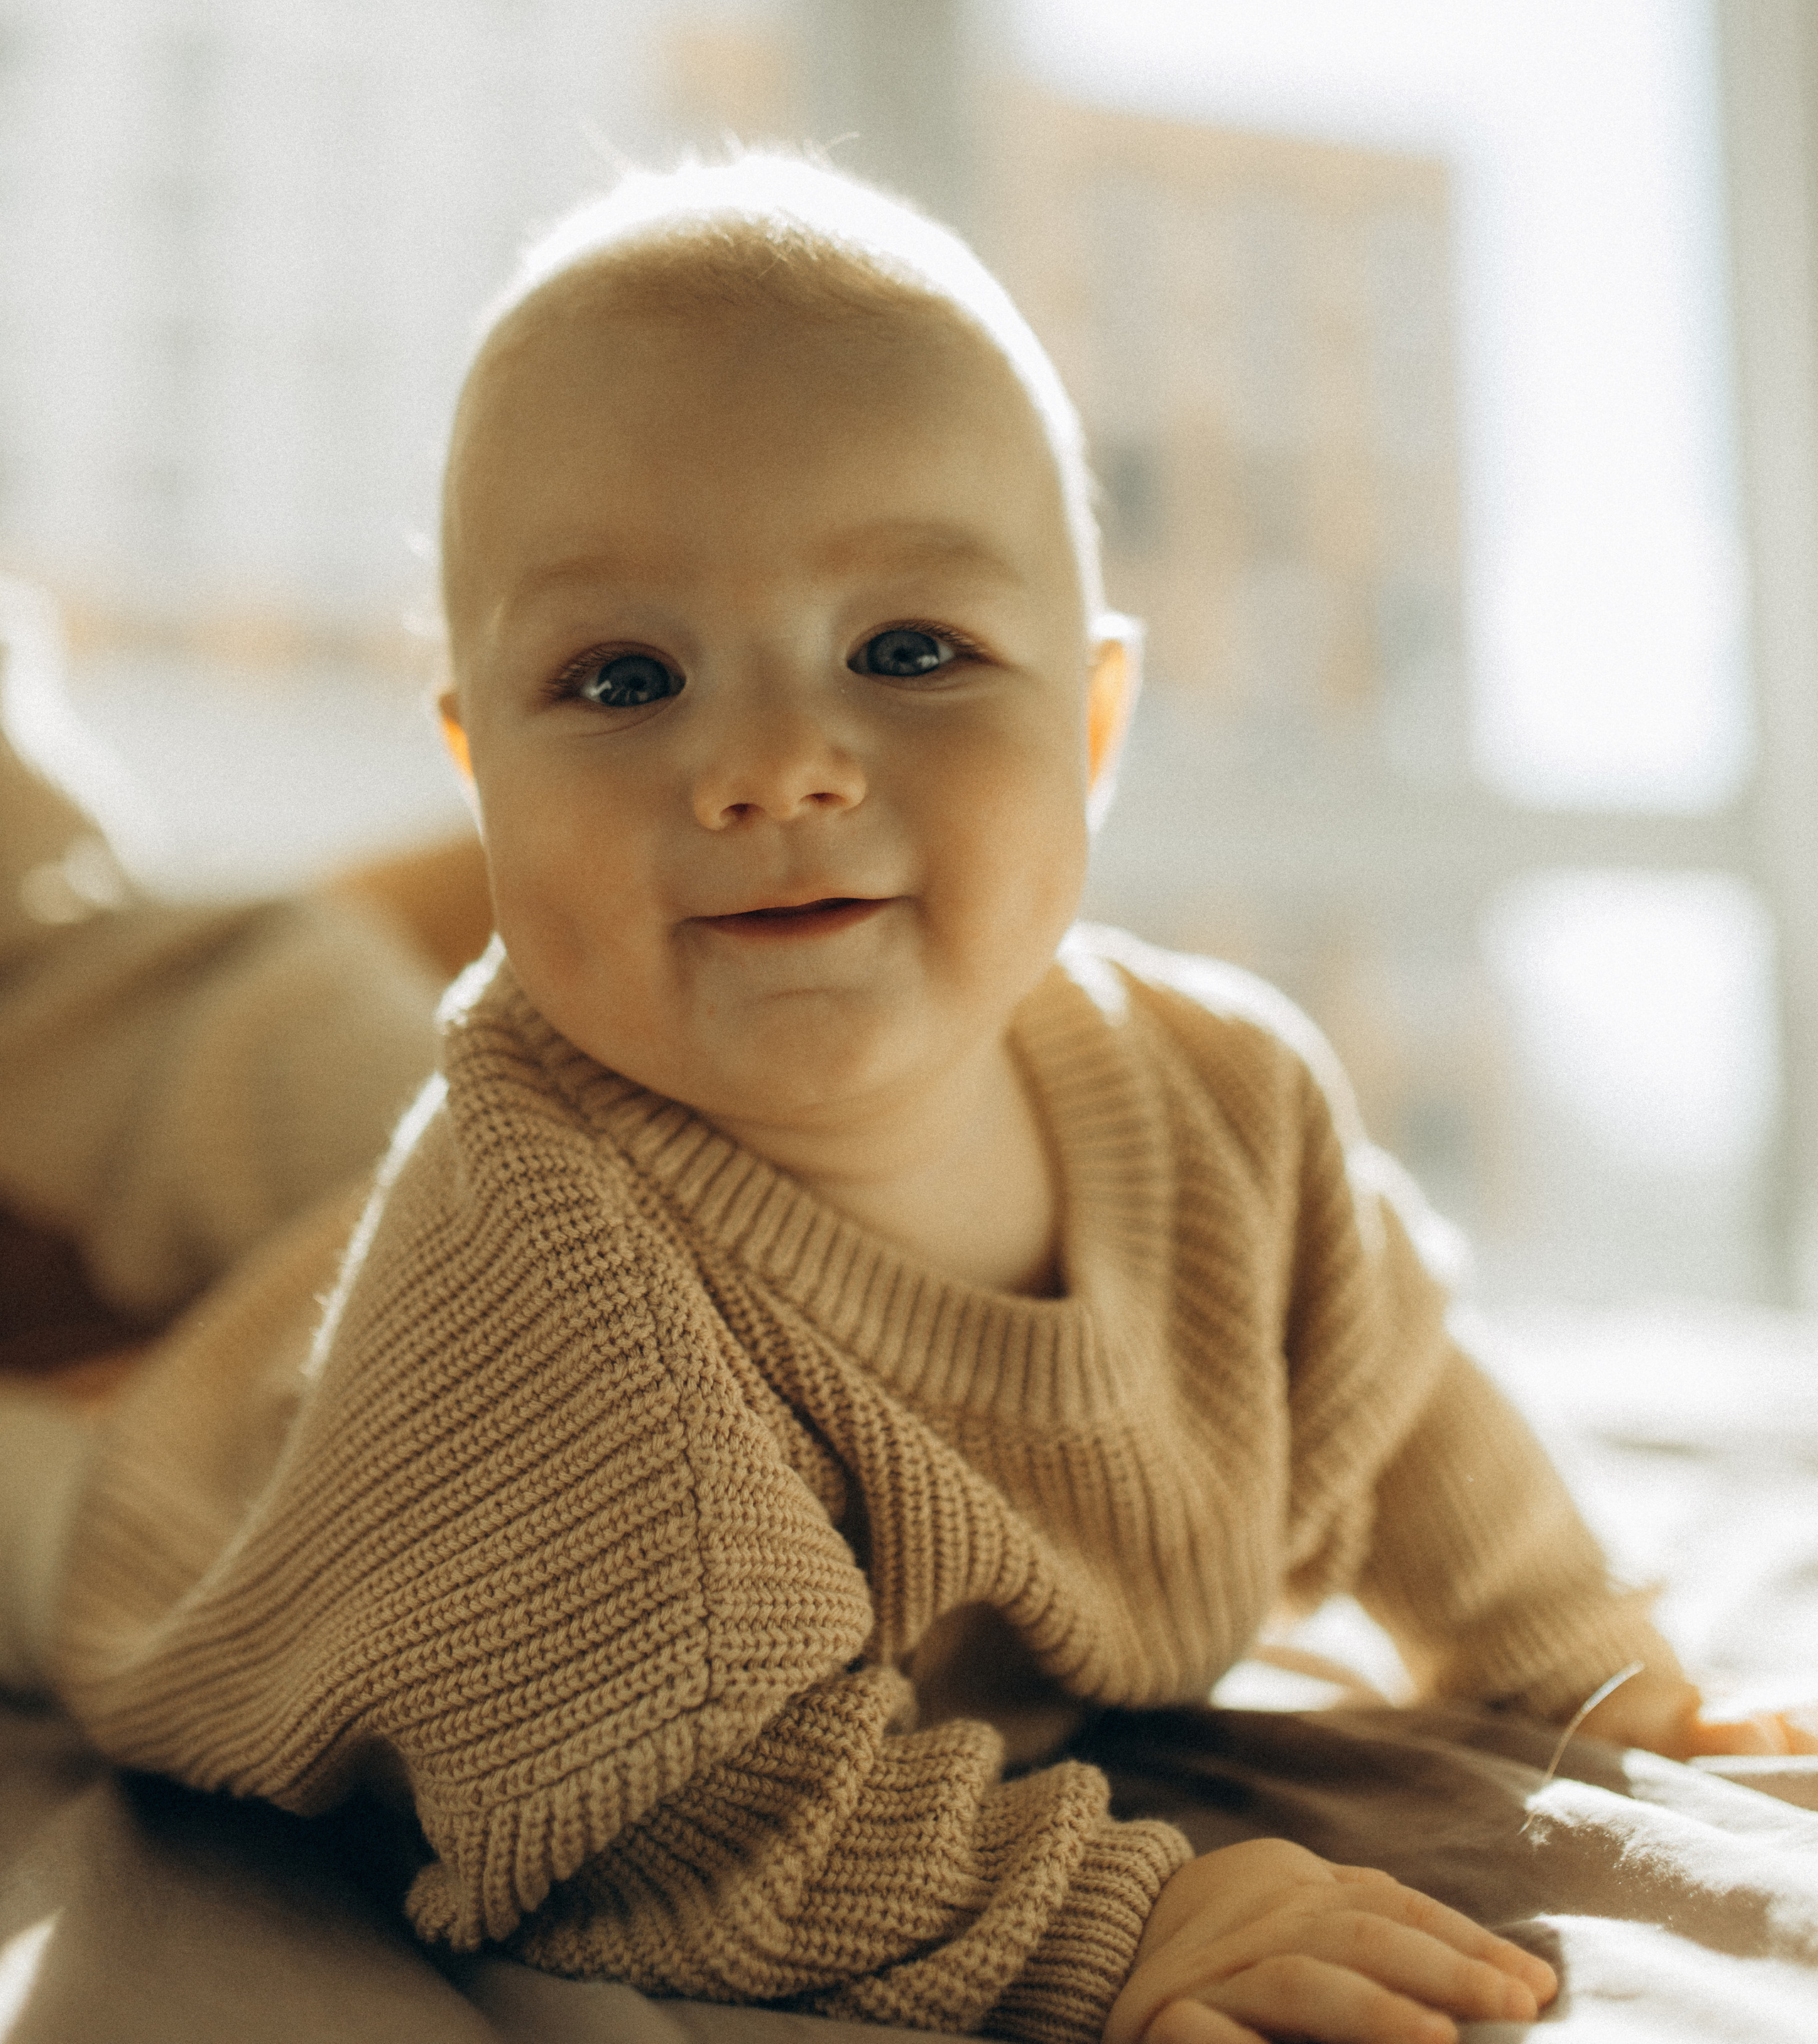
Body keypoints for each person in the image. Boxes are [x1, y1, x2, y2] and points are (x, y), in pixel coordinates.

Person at [0, 155, 1805, 2044]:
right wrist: (1117, 1918)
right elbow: (675, 1832)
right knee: (47, 1501)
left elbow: (1401, 1396)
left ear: (1095, 729)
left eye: (910, 652)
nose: (775, 766)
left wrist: (1581, 1670)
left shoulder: (1227, 1096)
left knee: (250, 1061)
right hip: (226, 1524)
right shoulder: (554, 1264)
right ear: (482, 770)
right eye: (625, 679)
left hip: (440, 1283)